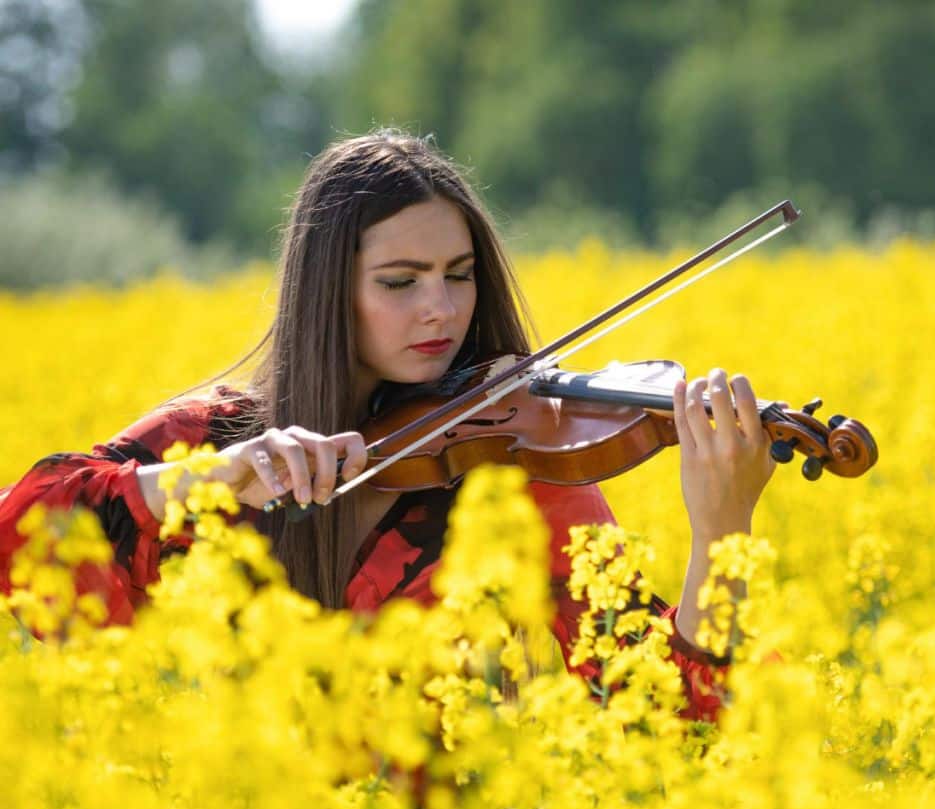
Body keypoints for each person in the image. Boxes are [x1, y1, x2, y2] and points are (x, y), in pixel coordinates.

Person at [0, 129, 776, 723]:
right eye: (400, 282)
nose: (440, 308)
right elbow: (16, 541)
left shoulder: (515, 470)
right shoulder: (212, 439)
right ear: (327, 291)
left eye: (459, 275)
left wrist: (723, 533)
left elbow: (673, 721)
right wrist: (211, 480)